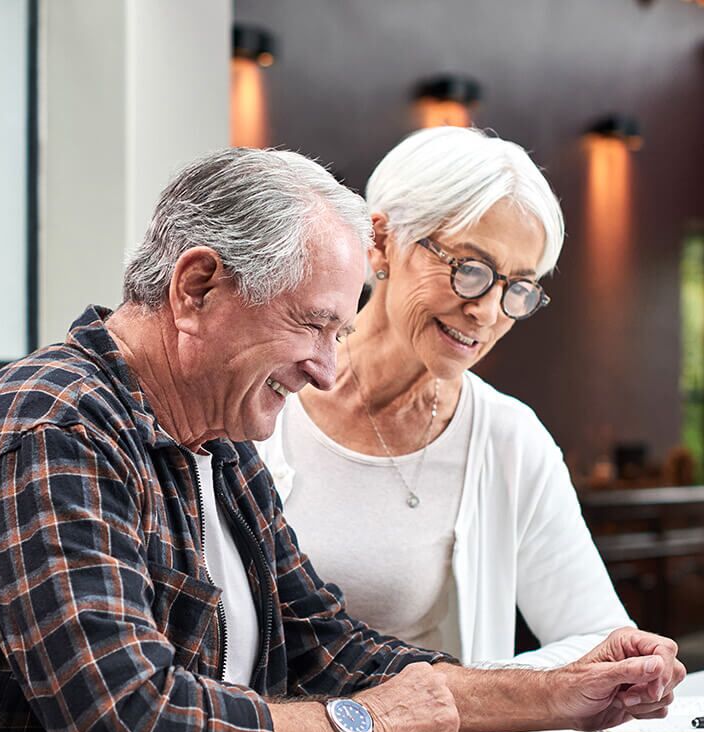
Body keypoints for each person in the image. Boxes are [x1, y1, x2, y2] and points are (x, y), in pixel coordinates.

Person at [0, 147, 685, 732]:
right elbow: (134, 729)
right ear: (196, 288)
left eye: (340, 333)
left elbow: (331, 646)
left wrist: (565, 694)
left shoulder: (218, 438)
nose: (327, 370)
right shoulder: (50, 429)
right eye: (313, 325)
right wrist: (368, 723)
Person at [258, 127, 629, 666]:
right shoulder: (261, 398)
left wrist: (473, 695)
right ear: (381, 242)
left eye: (517, 287)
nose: (488, 312)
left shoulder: (507, 438)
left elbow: (601, 641)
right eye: (470, 270)